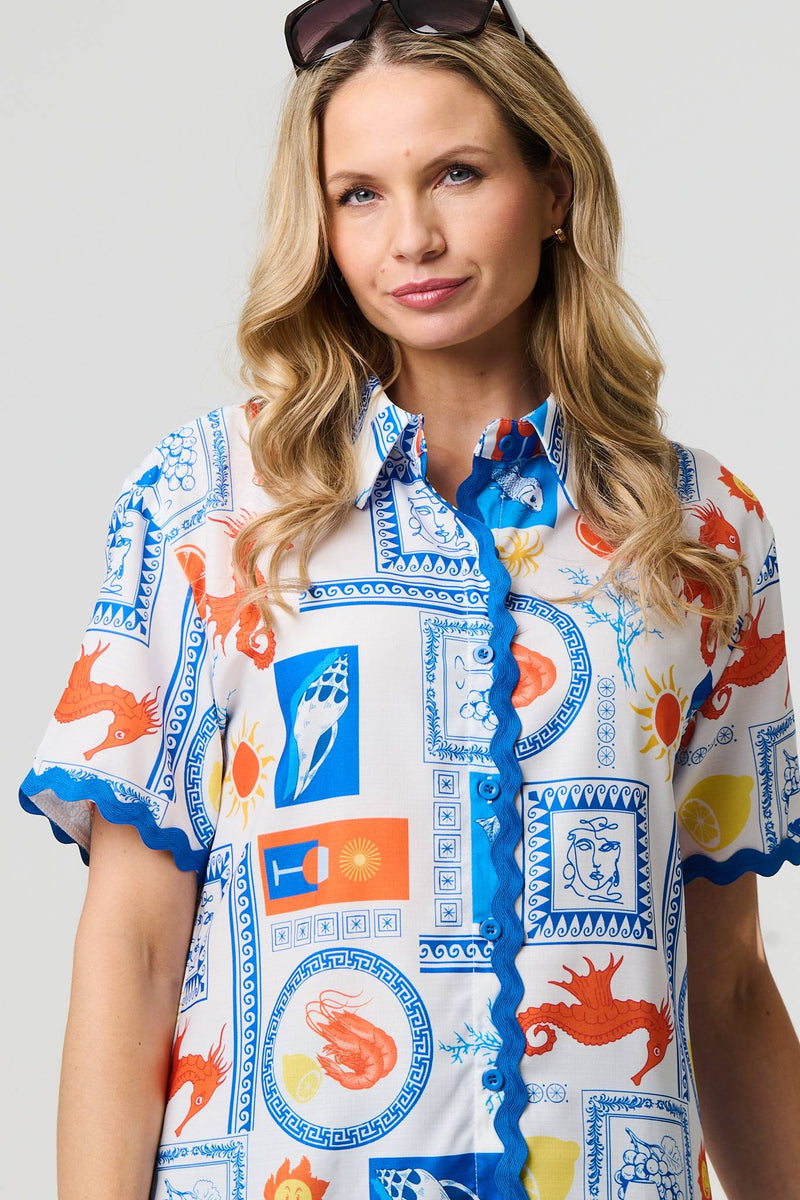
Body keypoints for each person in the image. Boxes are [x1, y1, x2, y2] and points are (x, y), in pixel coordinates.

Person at [19, 3, 800, 1199]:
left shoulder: (697, 529)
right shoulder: (210, 499)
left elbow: (730, 984)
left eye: (456, 174)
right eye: (360, 195)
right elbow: (130, 948)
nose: (413, 238)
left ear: (552, 187)